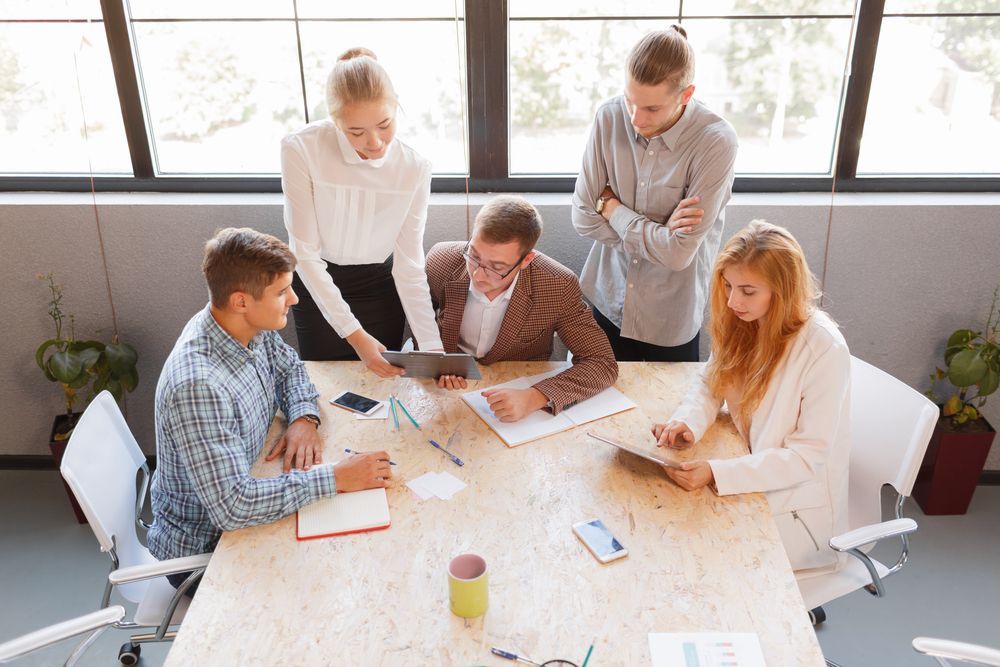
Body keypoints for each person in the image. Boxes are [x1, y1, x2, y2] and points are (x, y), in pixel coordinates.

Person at [148, 228, 392, 593]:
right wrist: (337, 478)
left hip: (253, 482)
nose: (293, 299)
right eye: (282, 292)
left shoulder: (243, 326)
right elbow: (234, 507)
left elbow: (291, 368)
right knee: (335, 580)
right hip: (208, 552)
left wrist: (303, 418)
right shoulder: (198, 386)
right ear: (241, 301)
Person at [652, 221, 850, 576]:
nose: (732, 301)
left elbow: (805, 459)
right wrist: (688, 423)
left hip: (794, 510)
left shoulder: (823, 349)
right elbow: (712, 382)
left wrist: (716, 471)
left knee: (692, 559)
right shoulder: (746, 321)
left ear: (783, 290)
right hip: (749, 469)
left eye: (747, 290)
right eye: (728, 286)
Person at [572, 25, 738, 362]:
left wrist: (612, 207)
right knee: (591, 409)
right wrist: (660, 237)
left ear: (686, 95)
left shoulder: (715, 141)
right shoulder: (608, 117)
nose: (635, 118)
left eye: (652, 109)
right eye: (630, 101)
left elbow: (679, 256)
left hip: (669, 319)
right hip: (607, 301)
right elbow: (582, 218)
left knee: (666, 413)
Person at [281, 47, 443, 376]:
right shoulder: (301, 148)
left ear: (396, 105)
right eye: (356, 132)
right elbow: (304, 254)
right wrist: (355, 336)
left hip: (381, 287)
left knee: (380, 395)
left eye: (385, 124)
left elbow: (409, 266)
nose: (375, 142)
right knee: (326, 389)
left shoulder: (414, 167)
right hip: (318, 283)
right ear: (335, 121)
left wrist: (433, 350)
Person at [426, 196, 618, 422]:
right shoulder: (441, 260)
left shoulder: (557, 284)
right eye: (474, 256)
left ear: (526, 260)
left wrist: (535, 396)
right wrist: (436, 362)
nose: (477, 275)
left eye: (497, 268)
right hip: (448, 396)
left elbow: (602, 363)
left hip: (521, 389)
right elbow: (420, 322)